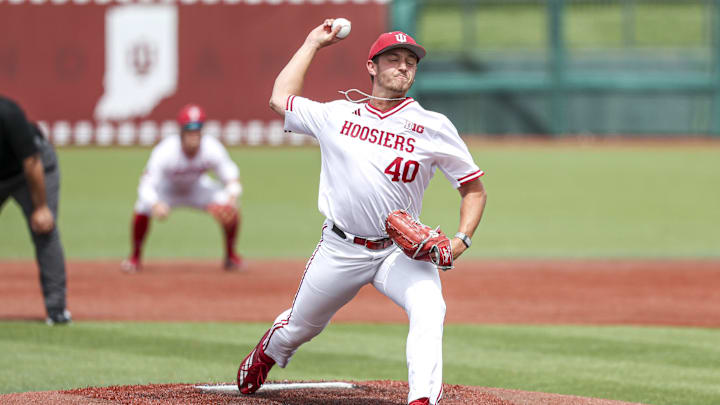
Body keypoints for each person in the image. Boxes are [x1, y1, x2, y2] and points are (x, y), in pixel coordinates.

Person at [236, 21, 487, 405]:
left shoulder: (433, 126)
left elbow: (473, 189)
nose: (403, 67)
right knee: (302, 326)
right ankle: (270, 351)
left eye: (410, 61)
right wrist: (311, 43)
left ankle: (422, 399)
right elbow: (279, 98)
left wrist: (460, 240)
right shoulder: (337, 115)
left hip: (400, 251)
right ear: (372, 66)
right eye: (393, 59)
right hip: (340, 248)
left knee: (430, 308)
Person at [121, 104, 244, 272]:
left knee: (231, 207)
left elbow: (231, 176)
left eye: (198, 129)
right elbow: (146, 186)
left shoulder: (211, 147)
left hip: (197, 187)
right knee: (142, 206)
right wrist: (156, 204)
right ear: (181, 131)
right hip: (169, 189)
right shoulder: (166, 151)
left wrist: (232, 196)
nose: (194, 135)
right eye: (189, 130)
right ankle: (134, 258)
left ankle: (231, 257)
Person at [0, 96, 71, 326]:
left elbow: (31, 162)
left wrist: (41, 208)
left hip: (32, 169)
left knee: (44, 230)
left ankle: (57, 310)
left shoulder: (8, 114)